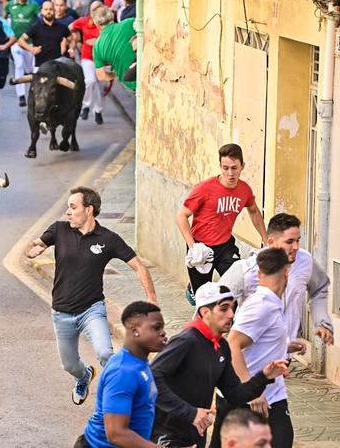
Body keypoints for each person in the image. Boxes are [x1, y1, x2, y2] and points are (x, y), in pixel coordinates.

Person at [26, 187, 157, 405]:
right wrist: (33, 250)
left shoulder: (108, 239)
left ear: (89, 210)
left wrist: (152, 300)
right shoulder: (59, 230)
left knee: (105, 352)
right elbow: (35, 245)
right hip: (61, 312)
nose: (68, 212)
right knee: (68, 365)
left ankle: (124, 394)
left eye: (73, 207)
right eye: (68, 207)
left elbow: (139, 267)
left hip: (91, 310)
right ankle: (84, 376)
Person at [150, 282, 288, 448]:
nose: (231, 314)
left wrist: (264, 376)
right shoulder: (186, 341)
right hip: (167, 433)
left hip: (196, 432)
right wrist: (190, 412)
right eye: (224, 308)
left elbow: (235, 395)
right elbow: (152, 377)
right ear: (205, 312)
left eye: (232, 307)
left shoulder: (221, 346)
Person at [210, 248, 294, 448]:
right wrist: (252, 390)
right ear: (286, 272)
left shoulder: (271, 302)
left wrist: (285, 345)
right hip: (251, 398)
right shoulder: (261, 304)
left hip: (271, 394)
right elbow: (233, 343)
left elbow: (257, 339)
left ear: (258, 274)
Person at [219, 213, 335, 349]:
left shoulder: (305, 261)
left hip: (283, 353)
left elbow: (319, 288)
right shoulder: (246, 269)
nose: (296, 247)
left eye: (298, 240)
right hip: (249, 354)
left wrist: (322, 322)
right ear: (270, 242)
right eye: (290, 242)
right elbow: (214, 305)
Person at [176, 143, 267, 303]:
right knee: (203, 300)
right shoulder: (204, 188)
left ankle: (232, 323)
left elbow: (254, 211)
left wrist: (267, 242)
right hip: (201, 246)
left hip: (225, 246)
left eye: (234, 168)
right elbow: (181, 216)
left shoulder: (244, 190)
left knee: (238, 285)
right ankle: (193, 288)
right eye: (225, 168)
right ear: (220, 166)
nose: (230, 173)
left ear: (242, 166)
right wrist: (193, 247)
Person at [74, 301, 167, 448]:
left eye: (162, 327)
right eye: (156, 327)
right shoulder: (123, 372)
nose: (163, 333)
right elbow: (116, 434)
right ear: (135, 330)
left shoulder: (140, 362)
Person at [5, 0, 41, 107]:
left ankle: (33, 93)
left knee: (31, 70)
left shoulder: (34, 5)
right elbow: (4, 20)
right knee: (18, 65)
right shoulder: (9, 5)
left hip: (30, 43)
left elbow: (40, 21)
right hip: (16, 42)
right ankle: (21, 95)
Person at [71, 3, 106, 123]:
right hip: (88, 57)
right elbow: (70, 27)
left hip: (103, 59)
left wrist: (98, 42)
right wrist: (76, 40)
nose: (95, 12)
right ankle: (86, 106)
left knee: (100, 87)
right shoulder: (84, 21)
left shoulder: (107, 22)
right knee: (90, 81)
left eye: (97, 9)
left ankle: (98, 111)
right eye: (93, 10)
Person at [17, 0, 71, 67]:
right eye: (46, 9)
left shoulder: (62, 27)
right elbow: (20, 41)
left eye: (51, 9)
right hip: (40, 66)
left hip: (57, 65)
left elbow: (71, 39)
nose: (48, 12)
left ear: (54, 10)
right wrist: (31, 49)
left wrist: (68, 46)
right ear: (42, 11)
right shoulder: (35, 27)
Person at [93, 16, 137, 90]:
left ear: (97, 25)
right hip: (154, 74)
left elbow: (102, 76)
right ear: (112, 16)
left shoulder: (97, 46)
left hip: (133, 85)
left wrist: (116, 74)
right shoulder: (130, 22)